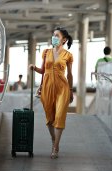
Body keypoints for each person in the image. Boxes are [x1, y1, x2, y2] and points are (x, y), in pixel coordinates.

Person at [29, 27, 74, 159]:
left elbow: (70, 75)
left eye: (57, 35)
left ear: (64, 39)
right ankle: (53, 139)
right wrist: (35, 69)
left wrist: (71, 90)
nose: (54, 37)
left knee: (59, 116)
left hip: (62, 88)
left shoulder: (68, 55)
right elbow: (43, 71)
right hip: (47, 87)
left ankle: (55, 147)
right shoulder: (46, 52)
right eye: (53, 35)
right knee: (50, 118)